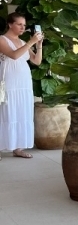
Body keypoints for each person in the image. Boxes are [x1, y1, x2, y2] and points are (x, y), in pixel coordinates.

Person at [0, 13, 43, 160]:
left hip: (24, 83)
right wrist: (31, 42)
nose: (23, 28)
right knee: (7, 113)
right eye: (19, 24)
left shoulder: (23, 42)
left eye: (24, 25)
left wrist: (39, 46)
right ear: (10, 24)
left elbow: (36, 61)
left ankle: (18, 148)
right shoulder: (2, 39)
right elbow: (14, 55)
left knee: (21, 112)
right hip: (10, 82)